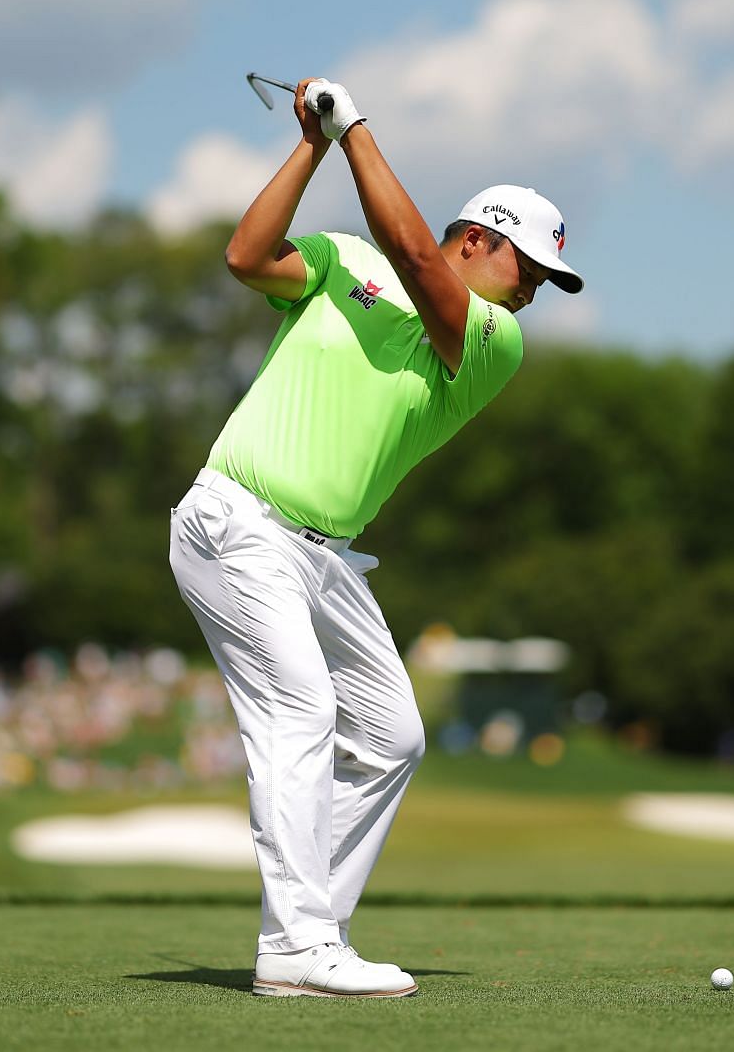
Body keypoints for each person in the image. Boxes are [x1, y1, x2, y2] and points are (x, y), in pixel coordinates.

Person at [167, 77, 583, 999]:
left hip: (323, 556)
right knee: (304, 713)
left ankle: (316, 928)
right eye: (530, 272)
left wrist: (352, 124)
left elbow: (411, 252)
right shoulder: (341, 260)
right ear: (478, 239)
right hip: (238, 518)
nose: (533, 297)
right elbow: (245, 255)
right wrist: (313, 143)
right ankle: (298, 946)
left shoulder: (487, 342)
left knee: (392, 737)